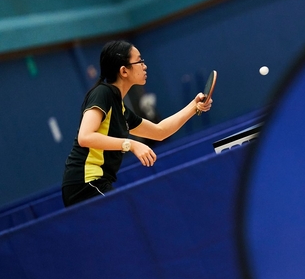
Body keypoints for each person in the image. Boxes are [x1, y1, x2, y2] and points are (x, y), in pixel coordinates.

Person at [61, 40, 212, 207]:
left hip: (96, 183)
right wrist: (130, 144)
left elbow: (160, 131)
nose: (144, 66)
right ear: (124, 71)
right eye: (139, 61)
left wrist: (194, 106)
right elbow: (85, 136)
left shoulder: (120, 108)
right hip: (85, 183)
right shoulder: (102, 93)